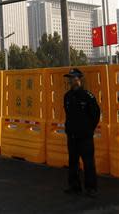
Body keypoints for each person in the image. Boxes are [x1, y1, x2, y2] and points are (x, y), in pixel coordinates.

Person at [63, 68, 100, 198]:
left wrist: (89, 129)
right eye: (70, 78)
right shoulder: (67, 96)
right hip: (72, 135)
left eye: (73, 78)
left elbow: (95, 115)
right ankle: (74, 186)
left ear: (79, 79)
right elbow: (68, 115)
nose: (70, 80)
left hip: (85, 136)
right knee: (73, 161)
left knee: (88, 162)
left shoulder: (88, 96)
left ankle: (91, 188)